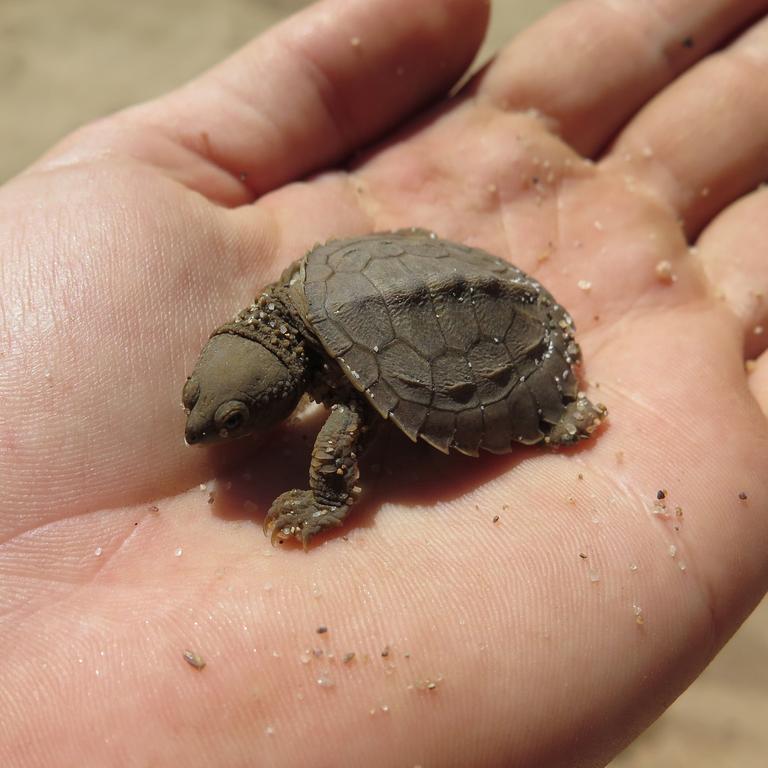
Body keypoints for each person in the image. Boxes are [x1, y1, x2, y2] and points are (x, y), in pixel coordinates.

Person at [1, 0, 766, 765]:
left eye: (229, 419)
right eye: (207, 412)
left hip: (489, 322)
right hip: (427, 279)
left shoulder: (327, 364)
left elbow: (344, 426)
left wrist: (331, 496)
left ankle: (550, 410)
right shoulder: (303, 280)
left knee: (516, 407)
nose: (201, 432)